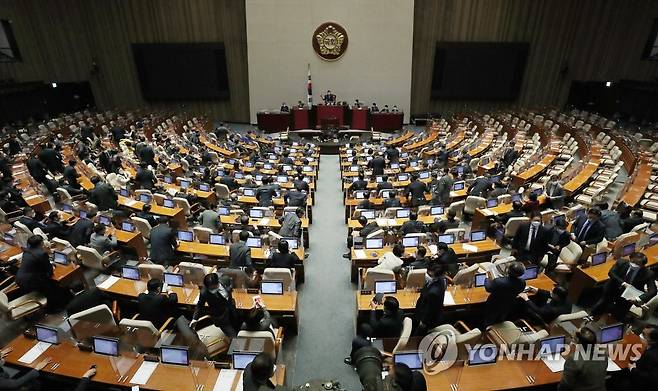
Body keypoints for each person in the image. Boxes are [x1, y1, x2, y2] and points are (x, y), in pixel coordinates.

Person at [591, 251, 657, 319]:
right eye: (633, 261)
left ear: (643, 265)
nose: (634, 264)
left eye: (638, 263)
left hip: (629, 297)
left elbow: (653, 290)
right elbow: (611, 273)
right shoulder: (621, 262)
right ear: (630, 259)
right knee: (600, 306)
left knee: (618, 315)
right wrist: (623, 283)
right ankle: (591, 318)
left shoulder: (648, 273)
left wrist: (637, 299)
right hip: (612, 289)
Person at [16, 235, 71, 312]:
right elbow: (50, 272)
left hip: (19, 279)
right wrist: (52, 267)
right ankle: (54, 308)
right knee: (55, 285)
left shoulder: (26, 251)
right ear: (41, 243)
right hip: (32, 281)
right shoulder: (41, 254)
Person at [558, 326, 607, 391]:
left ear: (577, 341)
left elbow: (565, 386)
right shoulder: (603, 355)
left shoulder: (573, 360)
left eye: (573, 337)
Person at [191, 273, 240, 338]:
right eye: (210, 289)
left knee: (238, 326)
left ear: (218, 282)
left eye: (214, 287)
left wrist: (230, 287)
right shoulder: (204, 292)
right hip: (221, 318)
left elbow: (231, 281)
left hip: (232, 310)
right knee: (234, 338)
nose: (212, 290)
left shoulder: (225, 279)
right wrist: (195, 318)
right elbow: (200, 305)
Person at [483, 261, 526, 327]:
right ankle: (499, 329)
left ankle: (487, 332)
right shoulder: (522, 282)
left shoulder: (499, 281)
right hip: (508, 304)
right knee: (501, 318)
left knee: (489, 320)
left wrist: (487, 279)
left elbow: (488, 288)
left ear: (508, 270)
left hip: (493, 304)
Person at [414, 263, 447, 335]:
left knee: (420, 334)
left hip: (427, 319)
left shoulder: (433, 293)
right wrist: (422, 290)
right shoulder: (441, 280)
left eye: (430, 275)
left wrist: (423, 322)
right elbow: (428, 286)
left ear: (435, 276)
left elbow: (429, 310)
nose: (427, 275)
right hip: (427, 306)